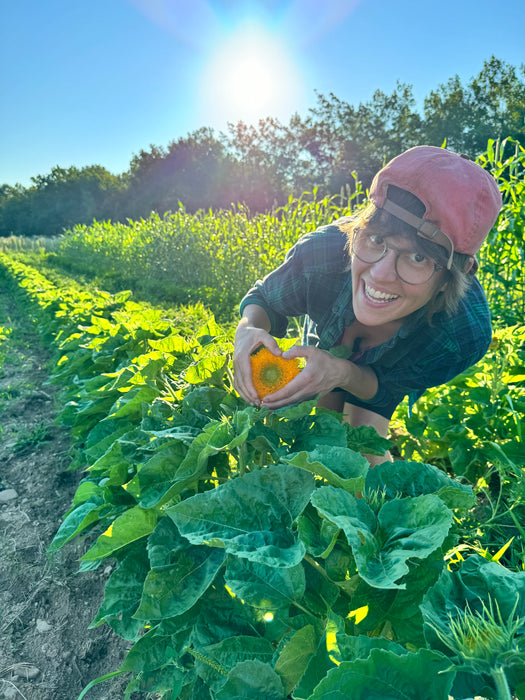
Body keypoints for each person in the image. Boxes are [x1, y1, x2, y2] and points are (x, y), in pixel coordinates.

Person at [233, 146, 502, 463]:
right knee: (321, 426)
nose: (380, 275)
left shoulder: (461, 334)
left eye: (418, 257)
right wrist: (248, 331)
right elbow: (265, 298)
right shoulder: (323, 254)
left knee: (364, 448)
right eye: (376, 239)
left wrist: (343, 373)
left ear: (451, 277)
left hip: (391, 366)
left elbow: (386, 388)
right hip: (328, 334)